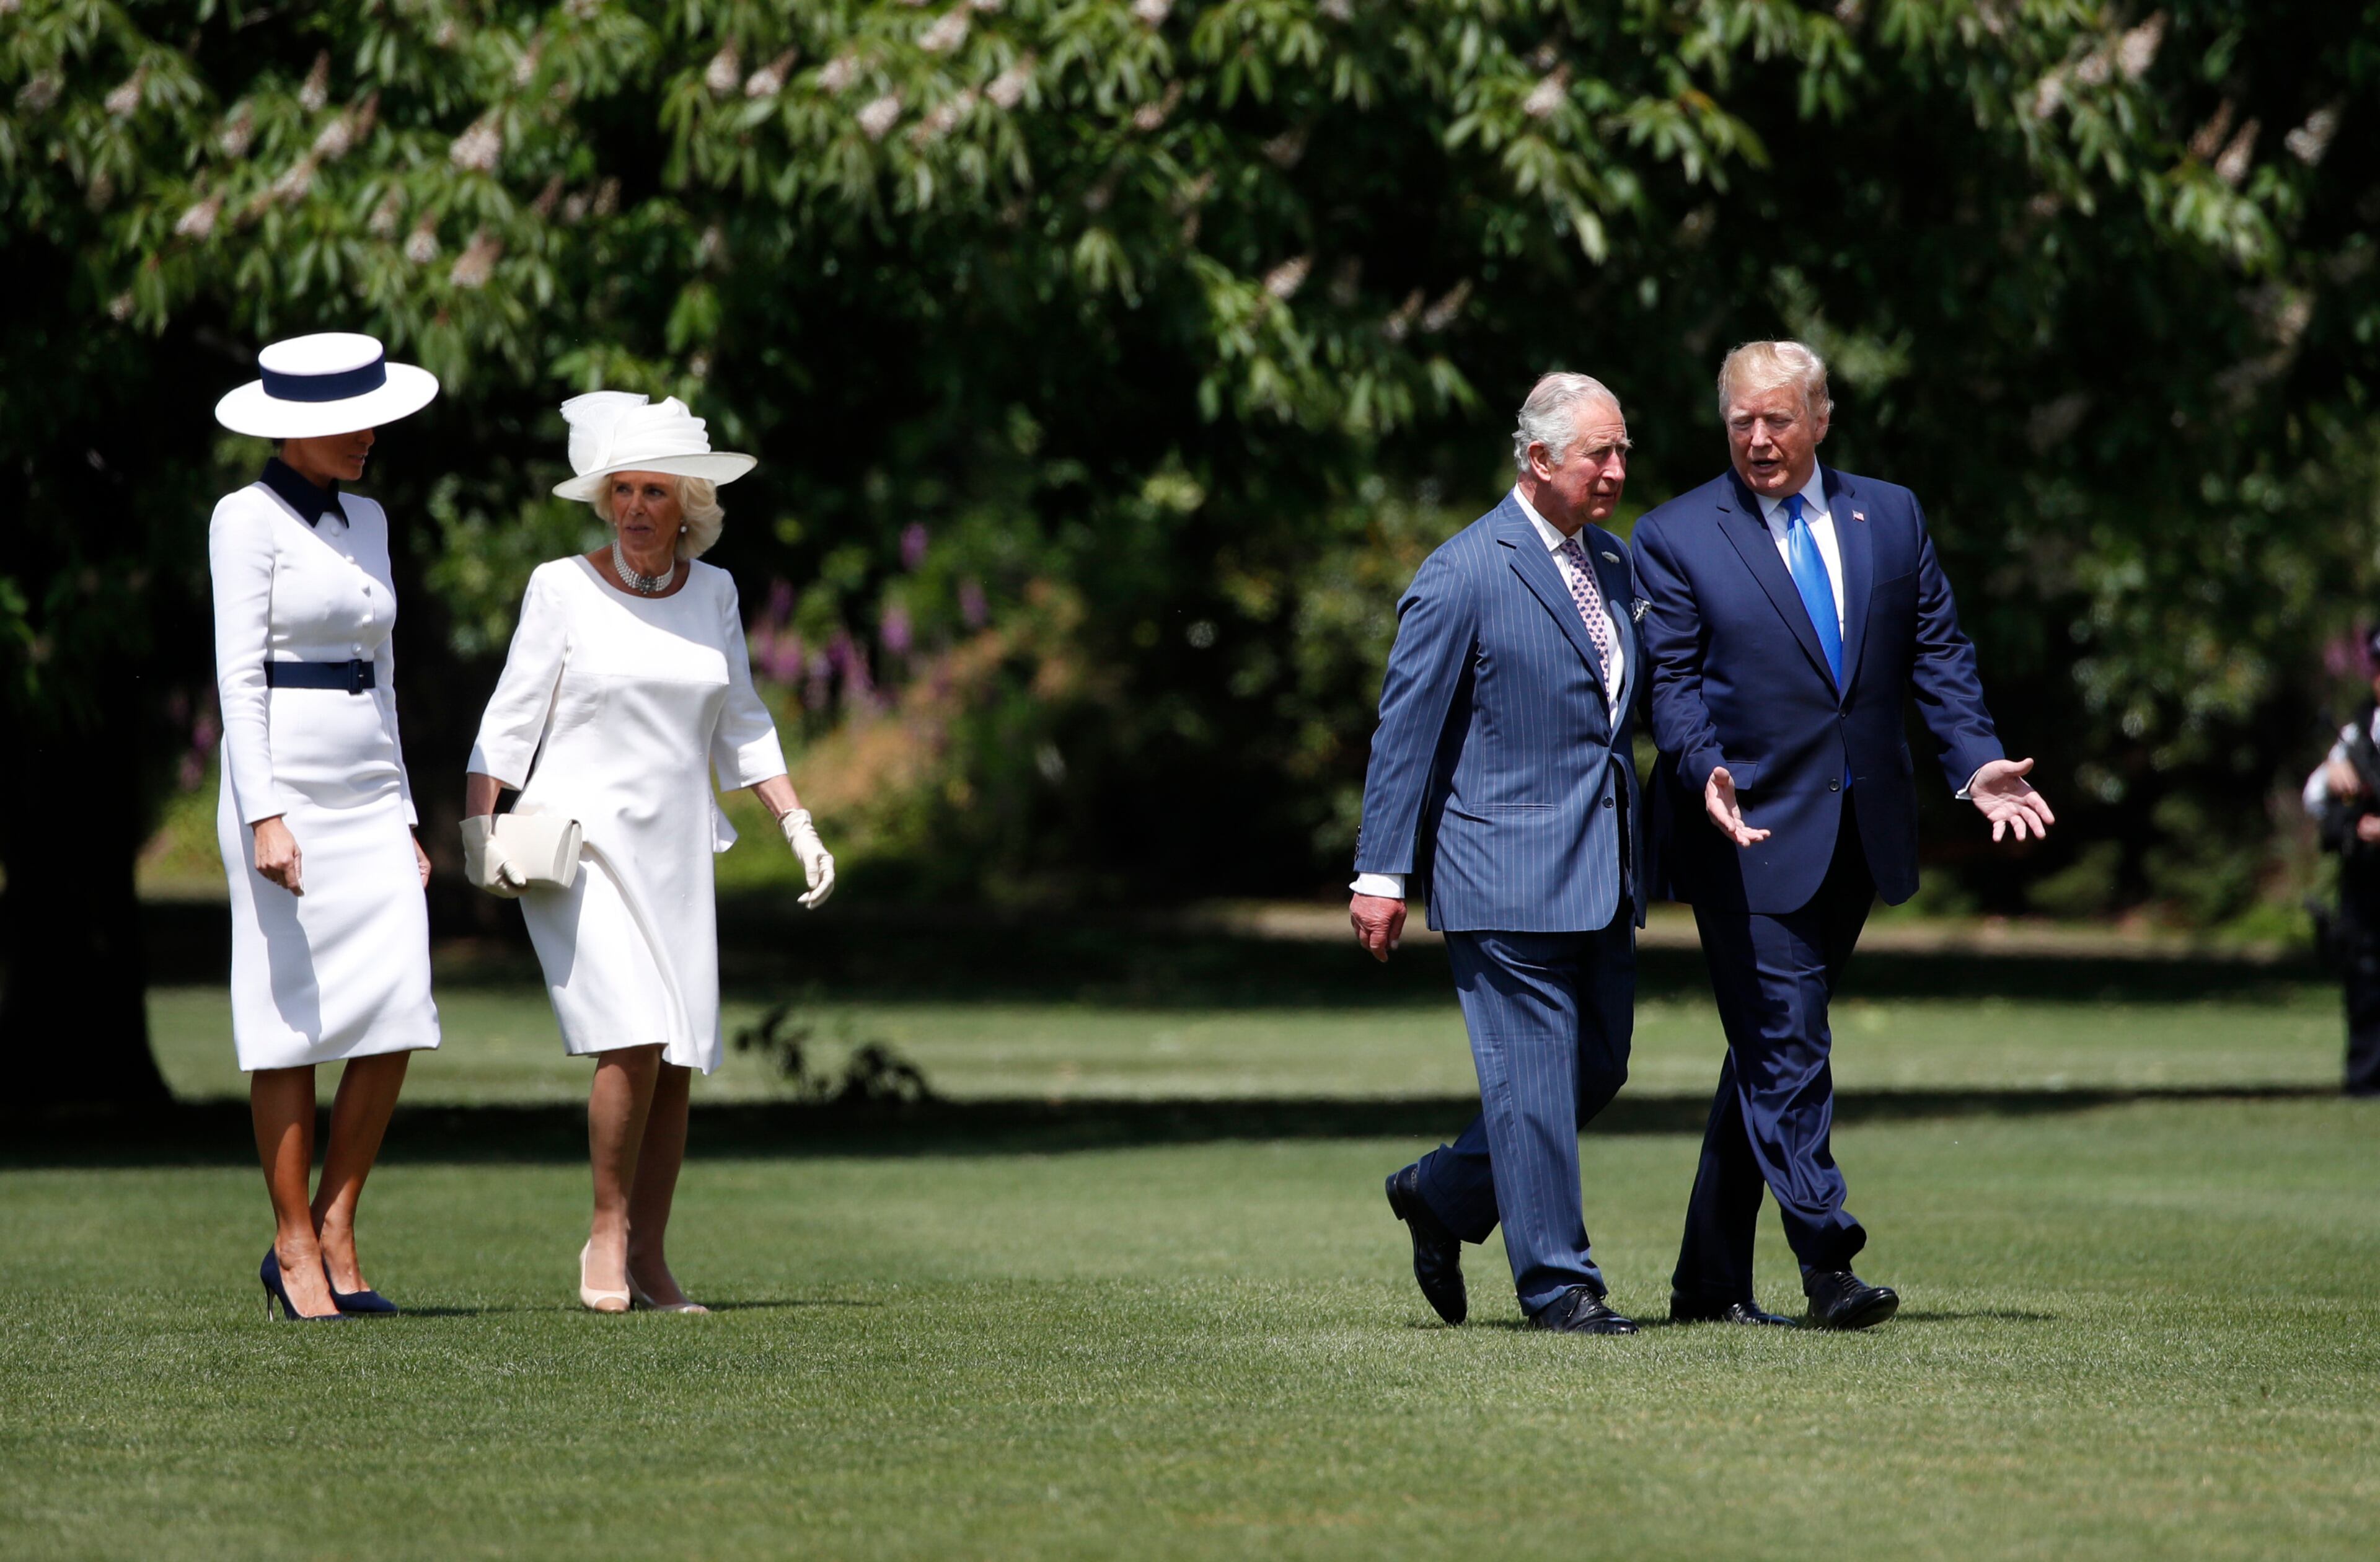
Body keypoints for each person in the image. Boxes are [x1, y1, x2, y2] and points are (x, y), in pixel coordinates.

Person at [1632, 340, 2055, 1330]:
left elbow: (1938, 651)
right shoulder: (1678, 533)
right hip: (1745, 828)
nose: (1758, 438)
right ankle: (1829, 1261)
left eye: (1778, 418)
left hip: (1860, 830)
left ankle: (1706, 1282)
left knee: (1764, 1054)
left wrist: (1975, 758)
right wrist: (1702, 770)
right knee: (1788, 1041)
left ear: (1822, 418)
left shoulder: (1891, 514)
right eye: (1740, 420)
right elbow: (1674, 683)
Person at [462, 392, 836, 1314]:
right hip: (578, 848)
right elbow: (508, 723)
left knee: (675, 1055)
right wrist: (481, 829)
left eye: (654, 494)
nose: (635, 508)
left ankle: (651, 1259)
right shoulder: (560, 586)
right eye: (621, 491)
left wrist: (797, 823)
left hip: (676, 850)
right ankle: (605, 1229)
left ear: (689, 507)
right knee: (629, 1034)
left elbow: (742, 723)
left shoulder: (714, 593)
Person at [1350, 373, 1647, 1335]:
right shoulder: (1463, 571)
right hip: (1501, 873)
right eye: (1598, 452)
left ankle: (1441, 1192)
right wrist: (1382, 872)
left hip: (1602, 871)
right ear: (1539, 460)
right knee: (1529, 1076)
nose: (1616, 468)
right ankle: (1560, 1285)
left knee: (1593, 1068)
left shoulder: (1614, 564)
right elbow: (1406, 735)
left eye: (1622, 450)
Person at [209, 332, 444, 1321]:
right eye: (353, 420)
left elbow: (384, 675)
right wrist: (265, 811)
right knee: (288, 1021)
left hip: (366, 793)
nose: (372, 434)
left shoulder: (372, 519)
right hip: (285, 786)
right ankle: (293, 1244)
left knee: (398, 1005)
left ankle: (338, 1219)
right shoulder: (243, 518)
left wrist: (405, 814)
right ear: (296, 430)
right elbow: (238, 674)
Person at [2299, 633, 2380, 1099]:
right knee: (2365, 976)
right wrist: (2331, 776)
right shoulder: (2359, 731)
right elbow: (2315, 796)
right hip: (2367, 879)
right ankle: (2366, 1080)